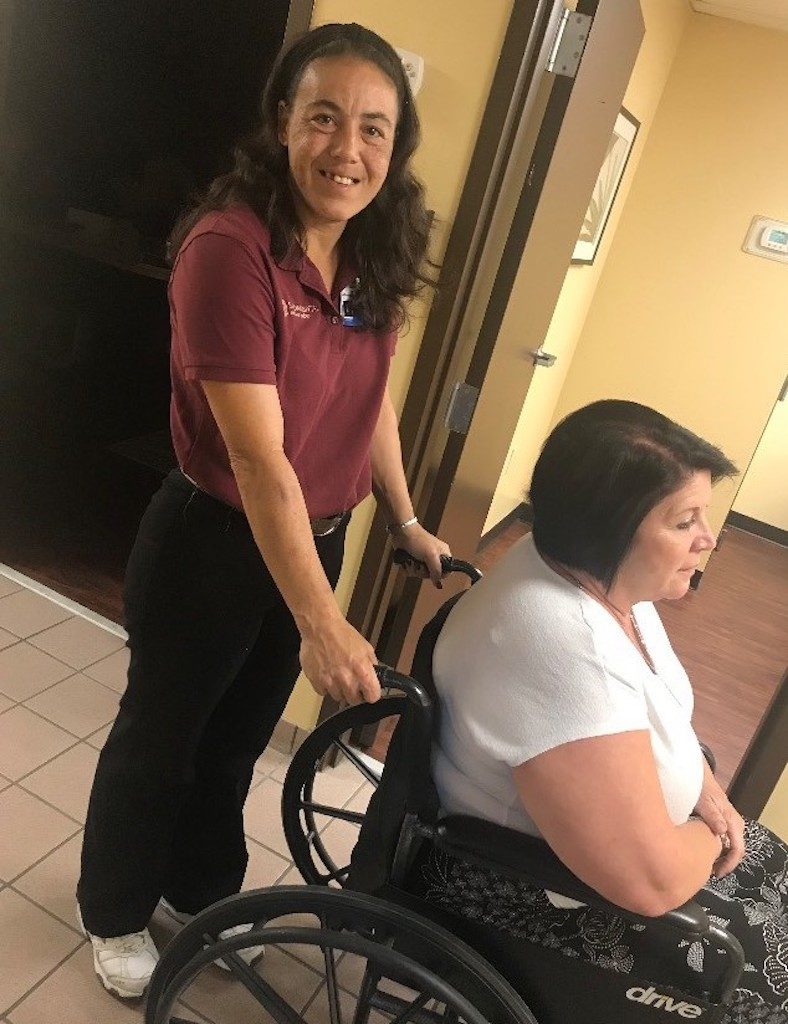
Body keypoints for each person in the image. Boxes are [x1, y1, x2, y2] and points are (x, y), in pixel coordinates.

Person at [77, 22, 450, 999]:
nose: (346, 149)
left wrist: (405, 521)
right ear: (281, 121)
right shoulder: (229, 248)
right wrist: (321, 621)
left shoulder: (369, 254)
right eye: (323, 118)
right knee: (161, 738)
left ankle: (195, 895)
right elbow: (257, 457)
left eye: (373, 129)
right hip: (212, 536)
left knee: (236, 741)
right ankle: (114, 912)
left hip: (309, 540)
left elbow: (373, 402)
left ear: (394, 147)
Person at [423, 400, 788, 1023]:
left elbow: (661, 709)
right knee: (762, 989)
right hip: (532, 891)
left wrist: (706, 792)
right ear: (609, 528)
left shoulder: (595, 578)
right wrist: (714, 831)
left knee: (773, 864)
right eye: (684, 521)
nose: (708, 539)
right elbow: (650, 887)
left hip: (626, 852)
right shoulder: (565, 651)